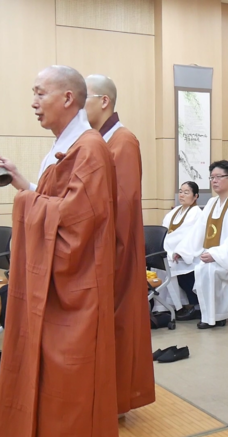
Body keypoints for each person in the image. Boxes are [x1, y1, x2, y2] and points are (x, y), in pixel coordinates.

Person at [0, 65, 119, 437]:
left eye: (40, 93)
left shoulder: (90, 148)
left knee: (69, 382)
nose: (33, 103)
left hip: (75, 289)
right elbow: (58, 204)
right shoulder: (67, 145)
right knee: (48, 377)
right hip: (55, 284)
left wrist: (26, 203)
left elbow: (78, 225)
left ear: (67, 98)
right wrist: (22, 183)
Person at [85, 74, 155, 413]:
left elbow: (123, 207)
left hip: (115, 252)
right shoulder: (95, 140)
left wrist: (107, 254)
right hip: (98, 250)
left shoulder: (122, 141)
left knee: (118, 327)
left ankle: (116, 401)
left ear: (104, 101)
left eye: (83, 98)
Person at [172, 161, 228, 329]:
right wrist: (183, 250)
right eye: (212, 177)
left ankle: (216, 315)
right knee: (183, 264)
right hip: (210, 254)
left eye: (218, 177)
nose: (214, 181)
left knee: (208, 269)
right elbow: (198, 230)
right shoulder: (212, 203)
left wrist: (216, 254)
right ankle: (203, 311)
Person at [159, 181, 203, 319]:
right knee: (161, 265)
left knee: (176, 267)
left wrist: (180, 251)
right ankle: (166, 305)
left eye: (186, 192)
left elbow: (190, 235)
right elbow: (166, 231)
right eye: (181, 191)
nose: (182, 195)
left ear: (195, 196)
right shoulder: (175, 211)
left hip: (191, 252)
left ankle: (194, 305)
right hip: (173, 250)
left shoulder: (196, 213)